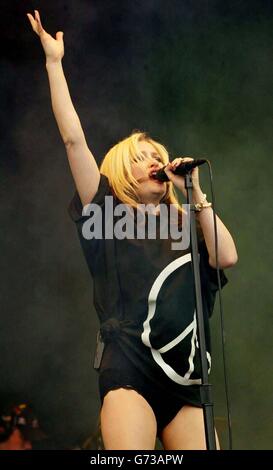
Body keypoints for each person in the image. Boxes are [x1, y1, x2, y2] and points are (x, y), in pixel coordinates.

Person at [27, 10, 238, 450]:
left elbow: (226, 258)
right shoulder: (104, 214)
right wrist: (53, 63)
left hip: (187, 378)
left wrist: (194, 191)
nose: (151, 160)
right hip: (130, 373)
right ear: (123, 169)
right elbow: (73, 140)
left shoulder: (189, 219)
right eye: (139, 155)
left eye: (154, 153)